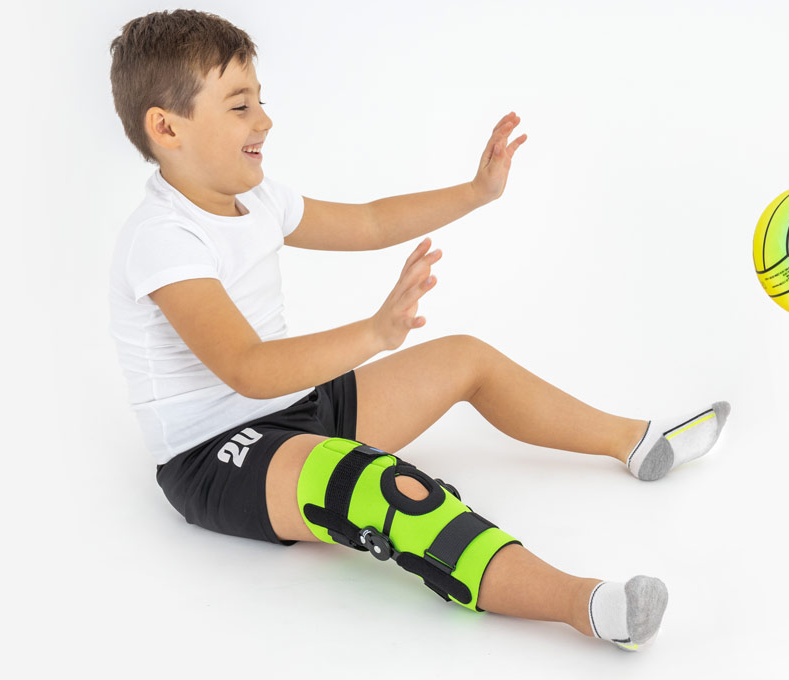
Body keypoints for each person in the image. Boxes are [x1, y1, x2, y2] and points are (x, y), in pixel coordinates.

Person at [105, 9, 730, 651]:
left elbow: (372, 223)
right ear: (166, 127)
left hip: (298, 405)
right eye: (240, 106)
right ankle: (584, 604)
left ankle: (637, 443)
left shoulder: (260, 200)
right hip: (217, 455)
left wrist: (477, 191)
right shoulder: (163, 239)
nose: (264, 120)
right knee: (382, 488)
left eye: (262, 101)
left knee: (465, 358)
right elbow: (246, 368)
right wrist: (374, 334)